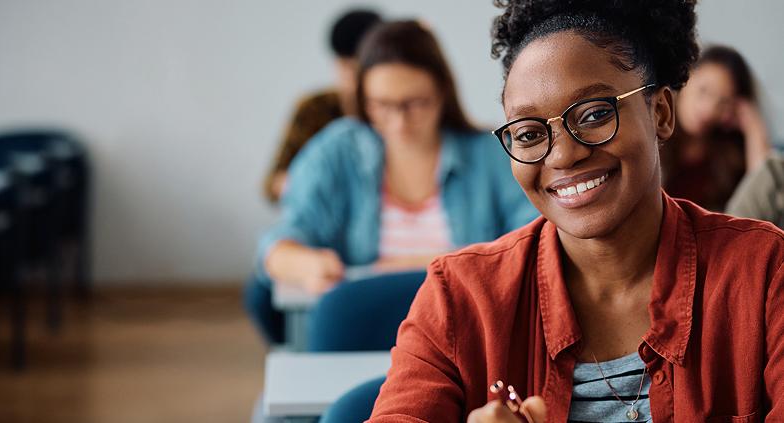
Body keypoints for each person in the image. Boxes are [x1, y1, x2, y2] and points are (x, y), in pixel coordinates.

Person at [367, 0, 784, 421]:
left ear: (660, 112)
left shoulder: (765, 273)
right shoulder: (459, 297)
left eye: (595, 114)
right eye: (529, 133)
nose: (563, 155)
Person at [243, 21, 538, 345]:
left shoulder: (491, 154)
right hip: (363, 340)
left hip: (470, 340)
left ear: (442, 92)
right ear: (363, 99)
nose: (398, 122)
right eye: (382, 105)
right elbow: (280, 240)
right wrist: (305, 263)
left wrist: (400, 266)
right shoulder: (336, 151)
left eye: (414, 104)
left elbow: (535, 242)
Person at [261, 9, 383, 204]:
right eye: (345, 67)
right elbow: (271, 184)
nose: (352, 82)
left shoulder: (390, 113)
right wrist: (307, 183)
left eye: (360, 70)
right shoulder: (313, 108)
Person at [660, 45, 771, 212]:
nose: (708, 109)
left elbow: (763, 197)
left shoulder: (728, 159)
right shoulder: (653, 134)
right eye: (703, 90)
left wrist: (753, 128)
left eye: (724, 102)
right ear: (684, 79)